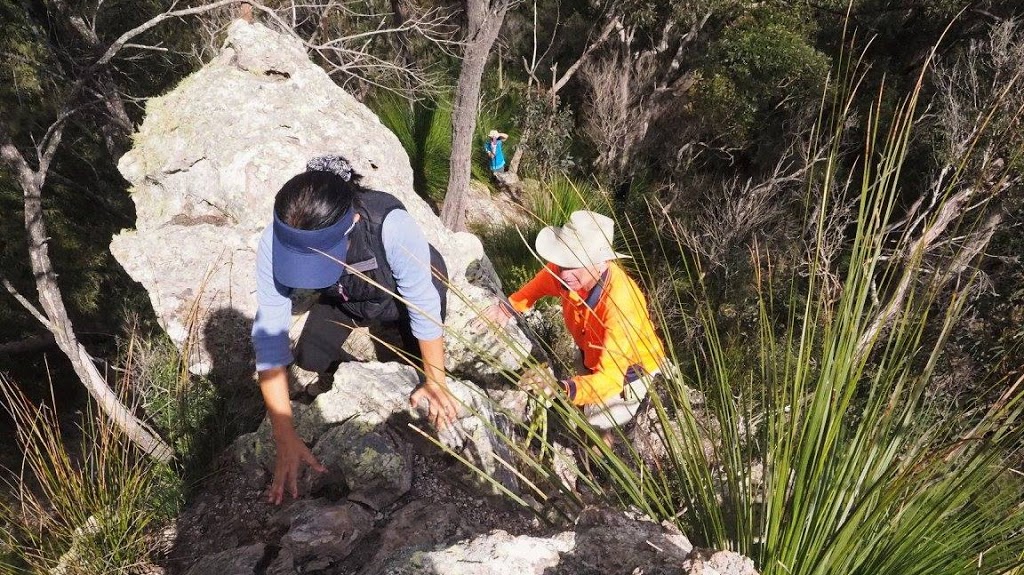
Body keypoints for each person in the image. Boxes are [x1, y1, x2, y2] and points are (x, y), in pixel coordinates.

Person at [252, 154, 459, 505]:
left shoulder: (389, 226)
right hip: (347, 298)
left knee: (416, 368)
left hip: (400, 294)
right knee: (308, 358)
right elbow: (270, 338)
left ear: (354, 222)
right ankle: (345, 369)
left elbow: (422, 305)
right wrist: (283, 434)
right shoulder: (276, 241)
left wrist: (436, 381)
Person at [480, 211, 666, 442]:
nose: (564, 273)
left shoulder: (619, 305)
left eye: (574, 264)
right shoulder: (562, 272)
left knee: (596, 425)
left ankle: (601, 459)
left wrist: (561, 388)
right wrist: (506, 309)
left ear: (601, 264)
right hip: (590, 352)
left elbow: (610, 379)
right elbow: (534, 289)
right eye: (561, 262)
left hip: (629, 371)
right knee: (584, 405)